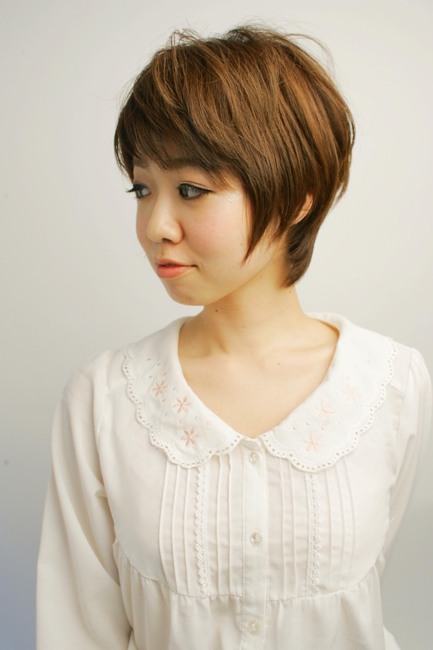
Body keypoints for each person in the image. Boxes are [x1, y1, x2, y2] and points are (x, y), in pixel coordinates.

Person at [36, 22, 432, 650]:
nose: (156, 225)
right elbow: (77, 628)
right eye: (142, 189)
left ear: (297, 197)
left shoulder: (391, 384)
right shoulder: (104, 399)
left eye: (191, 190)